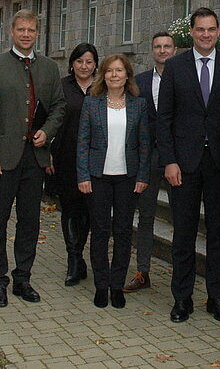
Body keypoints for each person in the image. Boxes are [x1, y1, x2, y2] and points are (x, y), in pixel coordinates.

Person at [156, 7, 220, 323]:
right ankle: (182, 299)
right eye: (200, 29)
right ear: (191, 32)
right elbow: (164, 118)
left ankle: (217, 298)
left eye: (211, 29)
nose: (206, 34)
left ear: (218, 32)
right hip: (184, 164)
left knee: (219, 234)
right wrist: (169, 160)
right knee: (183, 234)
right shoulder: (175, 67)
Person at [0, 10, 65, 308]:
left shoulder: (50, 68)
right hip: (2, 159)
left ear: (37, 33)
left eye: (31, 30)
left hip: (35, 158)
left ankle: (23, 277)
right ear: (11, 32)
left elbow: (59, 108)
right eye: (21, 30)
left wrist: (47, 132)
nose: (26, 34)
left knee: (30, 221)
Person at [76, 54, 151, 309]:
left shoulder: (139, 105)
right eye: (110, 71)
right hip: (98, 177)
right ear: (103, 75)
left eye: (119, 71)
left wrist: (142, 176)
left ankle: (117, 286)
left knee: (122, 232)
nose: (114, 75)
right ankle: (101, 285)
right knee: (99, 232)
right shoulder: (91, 103)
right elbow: (83, 142)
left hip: (127, 179)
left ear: (127, 75)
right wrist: (83, 175)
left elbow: (144, 145)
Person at [123, 31, 176, 293]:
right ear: (152, 50)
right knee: (145, 216)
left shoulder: (183, 78)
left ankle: (180, 273)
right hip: (149, 156)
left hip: (177, 158)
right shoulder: (140, 82)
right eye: (158, 46)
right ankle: (142, 271)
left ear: (174, 50)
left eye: (167, 46)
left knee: (181, 216)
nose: (163, 51)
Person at [48, 42, 97, 286]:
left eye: (89, 62)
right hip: (65, 156)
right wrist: (46, 152)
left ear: (96, 64)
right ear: (72, 64)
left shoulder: (103, 87)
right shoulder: (61, 87)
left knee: (88, 211)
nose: (84, 66)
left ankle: (78, 256)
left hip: (95, 159)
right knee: (69, 209)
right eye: (79, 61)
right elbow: (45, 119)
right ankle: (74, 259)